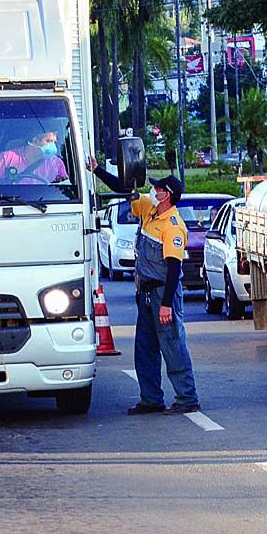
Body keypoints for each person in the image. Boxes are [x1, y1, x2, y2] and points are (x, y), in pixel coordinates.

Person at [86, 160, 200, 414]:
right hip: (146, 293)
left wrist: (167, 305)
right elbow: (124, 189)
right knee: (145, 348)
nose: (153, 191)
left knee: (172, 345)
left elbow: (173, 269)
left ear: (166, 195)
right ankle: (151, 399)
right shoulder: (150, 211)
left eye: (158, 189)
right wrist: (97, 170)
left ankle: (187, 398)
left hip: (162, 294)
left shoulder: (172, 227)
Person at [0, 130, 69, 185]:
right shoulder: (7, 158)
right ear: (35, 140)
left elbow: (65, 188)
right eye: (48, 141)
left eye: (54, 142)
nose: (52, 146)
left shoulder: (56, 163)